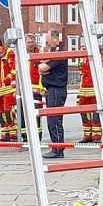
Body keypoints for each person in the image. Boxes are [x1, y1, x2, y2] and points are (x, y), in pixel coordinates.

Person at [39, 31, 69, 159]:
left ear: (56, 39)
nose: (46, 42)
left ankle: (57, 149)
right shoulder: (53, 52)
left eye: (48, 39)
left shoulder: (58, 53)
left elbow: (43, 68)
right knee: (52, 119)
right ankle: (56, 147)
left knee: (54, 119)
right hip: (52, 89)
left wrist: (43, 68)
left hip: (56, 90)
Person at [0, 34, 18, 142]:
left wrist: (8, 80)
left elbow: (14, 69)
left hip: (7, 88)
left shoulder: (9, 53)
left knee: (8, 110)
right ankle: (4, 133)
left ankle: (13, 133)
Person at [77, 49, 101, 144]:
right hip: (84, 90)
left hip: (95, 89)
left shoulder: (99, 56)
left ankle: (96, 136)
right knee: (84, 113)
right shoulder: (83, 57)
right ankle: (87, 135)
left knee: (96, 113)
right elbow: (82, 74)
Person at [25, 34, 45, 142]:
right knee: (24, 114)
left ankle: (38, 136)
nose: (31, 44)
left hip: (36, 90)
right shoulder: (21, 54)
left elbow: (43, 73)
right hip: (24, 90)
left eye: (32, 42)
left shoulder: (39, 55)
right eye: (28, 42)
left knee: (36, 114)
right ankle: (25, 137)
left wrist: (42, 88)